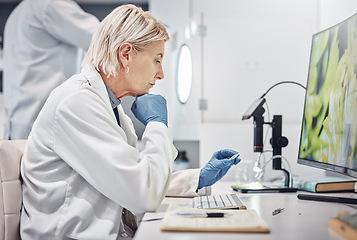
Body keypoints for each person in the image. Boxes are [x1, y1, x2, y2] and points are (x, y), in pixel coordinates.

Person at [20, 4, 241, 240]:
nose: (161, 74)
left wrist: (197, 179)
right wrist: (157, 125)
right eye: (157, 60)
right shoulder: (76, 103)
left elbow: (129, 176)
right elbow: (143, 193)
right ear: (126, 54)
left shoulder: (107, 106)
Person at [3, 0, 100, 140]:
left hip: (17, 125)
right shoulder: (51, 5)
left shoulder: (20, 11)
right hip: (41, 124)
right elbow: (105, 39)